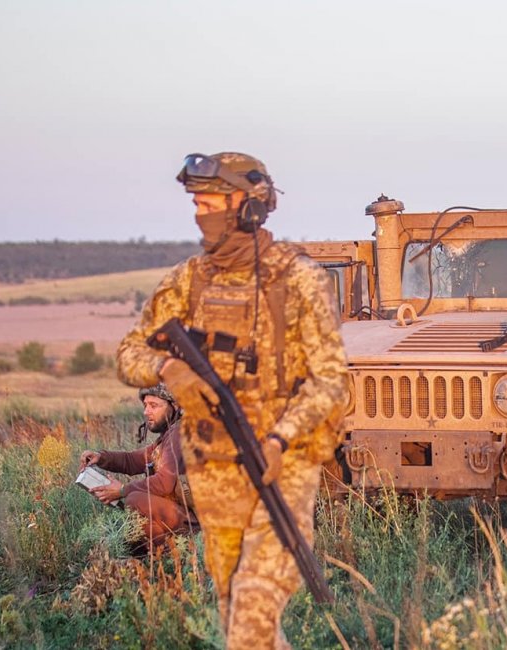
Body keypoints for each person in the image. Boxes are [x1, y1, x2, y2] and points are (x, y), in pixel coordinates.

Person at [115, 152, 349, 649]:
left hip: (278, 471)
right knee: (237, 614)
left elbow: (329, 380)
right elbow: (129, 352)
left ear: (251, 207)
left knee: (253, 605)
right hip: (213, 478)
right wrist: (168, 367)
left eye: (212, 202)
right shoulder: (188, 281)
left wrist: (281, 438)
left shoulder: (299, 280)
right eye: (196, 204)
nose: (202, 213)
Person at [78, 384, 196, 554]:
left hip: (195, 521)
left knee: (135, 500)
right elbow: (134, 460)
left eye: (154, 405)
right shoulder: (168, 436)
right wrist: (101, 457)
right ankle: (150, 559)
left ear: (175, 405)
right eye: (145, 405)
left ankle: (174, 555)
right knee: (132, 505)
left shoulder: (179, 434)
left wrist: (122, 490)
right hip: (182, 515)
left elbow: (164, 483)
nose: (146, 412)